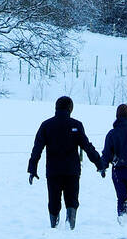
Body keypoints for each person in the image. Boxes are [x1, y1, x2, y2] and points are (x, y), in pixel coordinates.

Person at [28, 95, 103, 229]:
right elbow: (87, 146)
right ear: (70, 108)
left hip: (53, 171)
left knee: (54, 200)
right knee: (72, 199)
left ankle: (54, 225)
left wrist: (32, 168)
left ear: (56, 108)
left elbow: (37, 148)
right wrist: (99, 163)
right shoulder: (76, 125)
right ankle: (70, 225)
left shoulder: (46, 125)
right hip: (72, 171)